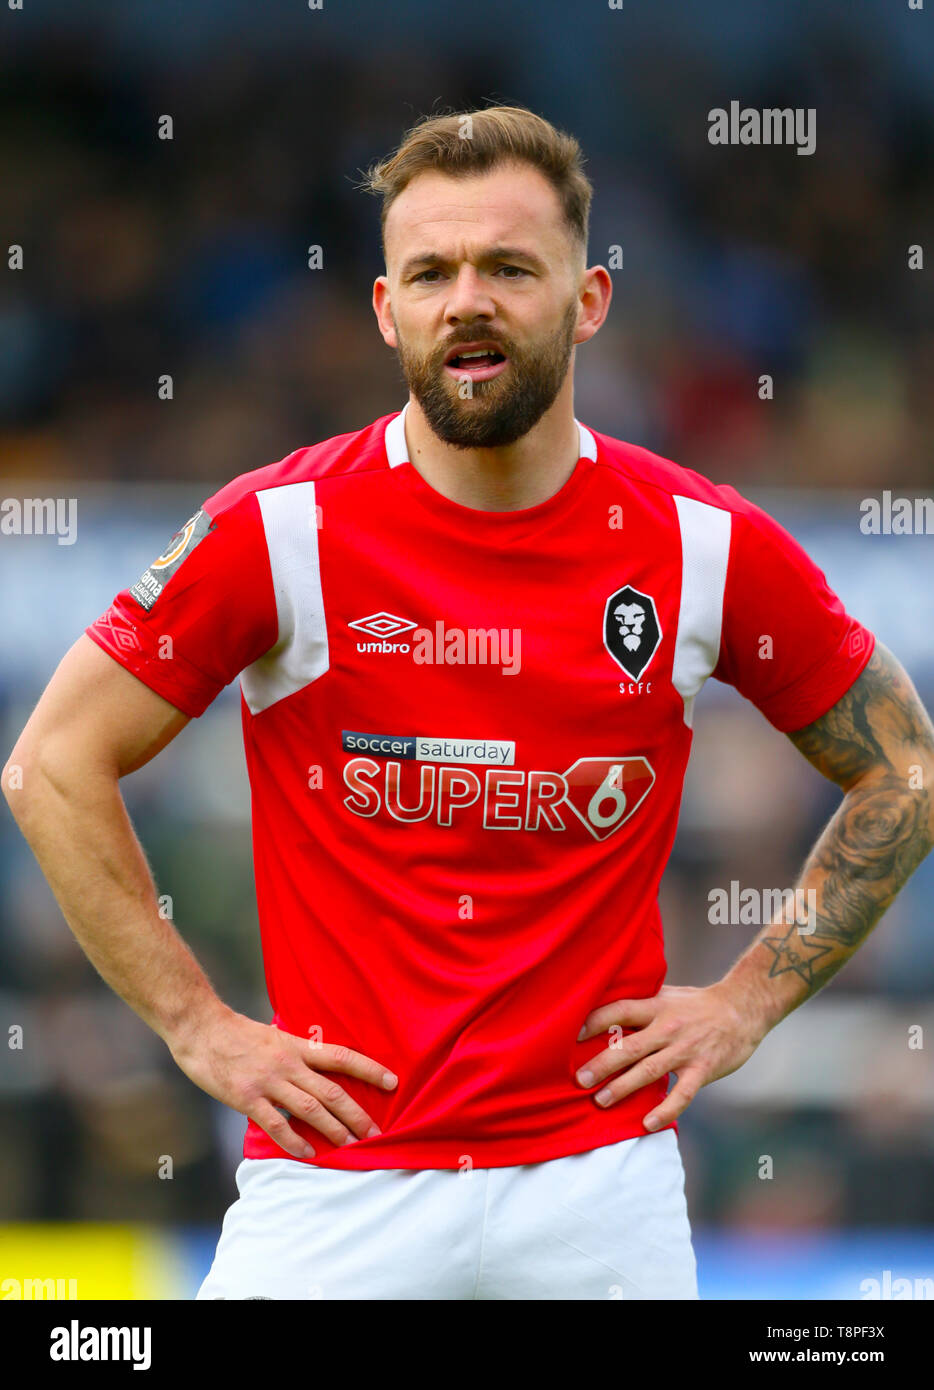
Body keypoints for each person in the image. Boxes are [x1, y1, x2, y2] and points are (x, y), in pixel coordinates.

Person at [5, 105, 933, 1301]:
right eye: (431, 271)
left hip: (601, 1187)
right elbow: (50, 765)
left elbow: (903, 766)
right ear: (388, 309)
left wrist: (746, 1005)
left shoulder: (698, 546)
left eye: (508, 267)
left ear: (589, 299)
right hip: (334, 1182)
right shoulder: (279, 531)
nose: (467, 301)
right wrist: (200, 1027)